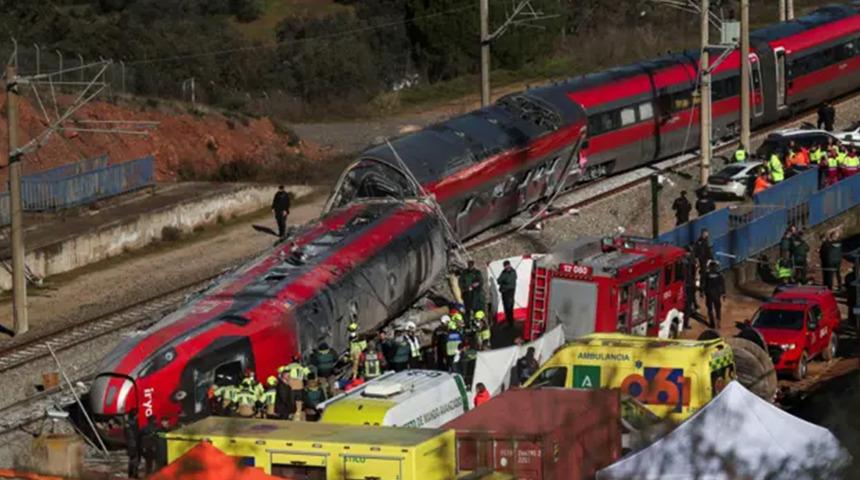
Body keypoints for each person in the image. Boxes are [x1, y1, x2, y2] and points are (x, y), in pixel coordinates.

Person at [703, 261, 725, 329]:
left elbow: (704, 284)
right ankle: (718, 322)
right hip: (717, 295)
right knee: (718, 309)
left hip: (709, 295)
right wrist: (724, 294)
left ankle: (712, 323)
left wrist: (702, 292)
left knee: (710, 309)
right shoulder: (720, 275)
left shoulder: (706, 275)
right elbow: (722, 285)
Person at [497, 260, 518, 326]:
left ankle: (511, 323)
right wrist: (503, 281)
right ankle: (508, 322)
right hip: (504, 292)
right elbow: (498, 280)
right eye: (505, 266)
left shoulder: (513, 272)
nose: (506, 267)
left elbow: (508, 281)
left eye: (507, 265)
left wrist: (503, 282)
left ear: (509, 265)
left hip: (510, 292)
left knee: (509, 307)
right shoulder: (503, 272)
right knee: (506, 307)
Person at [125, 411, 142, 478]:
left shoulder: (127, 424)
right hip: (135, 444)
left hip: (129, 444)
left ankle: (130, 473)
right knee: (136, 460)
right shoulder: (135, 423)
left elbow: (126, 434)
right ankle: (135, 474)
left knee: (131, 459)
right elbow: (137, 434)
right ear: (135, 416)